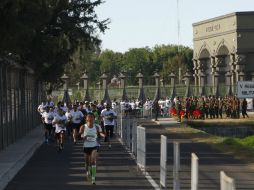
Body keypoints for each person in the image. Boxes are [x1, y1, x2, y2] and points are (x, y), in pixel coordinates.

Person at [79, 112, 105, 184]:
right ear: (86, 119)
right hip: (86, 146)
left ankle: (93, 178)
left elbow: (100, 133)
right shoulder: (83, 127)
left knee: (93, 161)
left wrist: (103, 135)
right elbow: (81, 135)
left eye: (91, 117)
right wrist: (83, 137)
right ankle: (88, 172)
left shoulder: (97, 126)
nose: (90, 118)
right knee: (87, 163)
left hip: (94, 145)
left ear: (94, 118)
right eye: (89, 117)